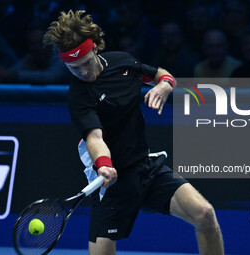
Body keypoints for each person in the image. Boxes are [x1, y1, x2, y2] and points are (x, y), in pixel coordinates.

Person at [43, 10, 224, 255]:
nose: (84, 72)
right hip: (111, 184)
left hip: (147, 169)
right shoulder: (79, 96)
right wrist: (104, 164)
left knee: (205, 214)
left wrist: (165, 85)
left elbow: (161, 74)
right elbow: (95, 137)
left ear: (95, 47)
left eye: (86, 63)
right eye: (74, 68)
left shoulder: (123, 63)